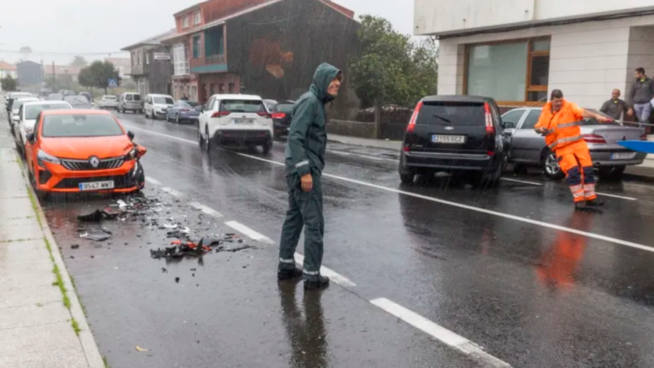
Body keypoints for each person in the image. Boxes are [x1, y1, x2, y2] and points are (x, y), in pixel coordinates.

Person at [277, 63, 342, 290]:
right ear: (322, 79)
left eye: (339, 81)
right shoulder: (311, 102)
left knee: (294, 219)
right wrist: (305, 171)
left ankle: (286, 267)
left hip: (297, 169)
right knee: (314, 224)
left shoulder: (314, 101)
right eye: (333, 79)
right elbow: (295, 137)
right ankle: (312, 276)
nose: (337, 84)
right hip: (304, 171)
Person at [535, 89, 612, 210]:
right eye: (556, 101)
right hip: (562, 148)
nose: (559, 103)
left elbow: (583, 112)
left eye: (560, 101)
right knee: (573, 172)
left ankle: (590, 198)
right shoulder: (545, 112)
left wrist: (597, 116)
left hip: (577, 144)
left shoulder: (570, 107)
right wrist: (540, 130)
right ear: (551, 101)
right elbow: (537, 127)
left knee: (588, 169)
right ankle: (579, 200)